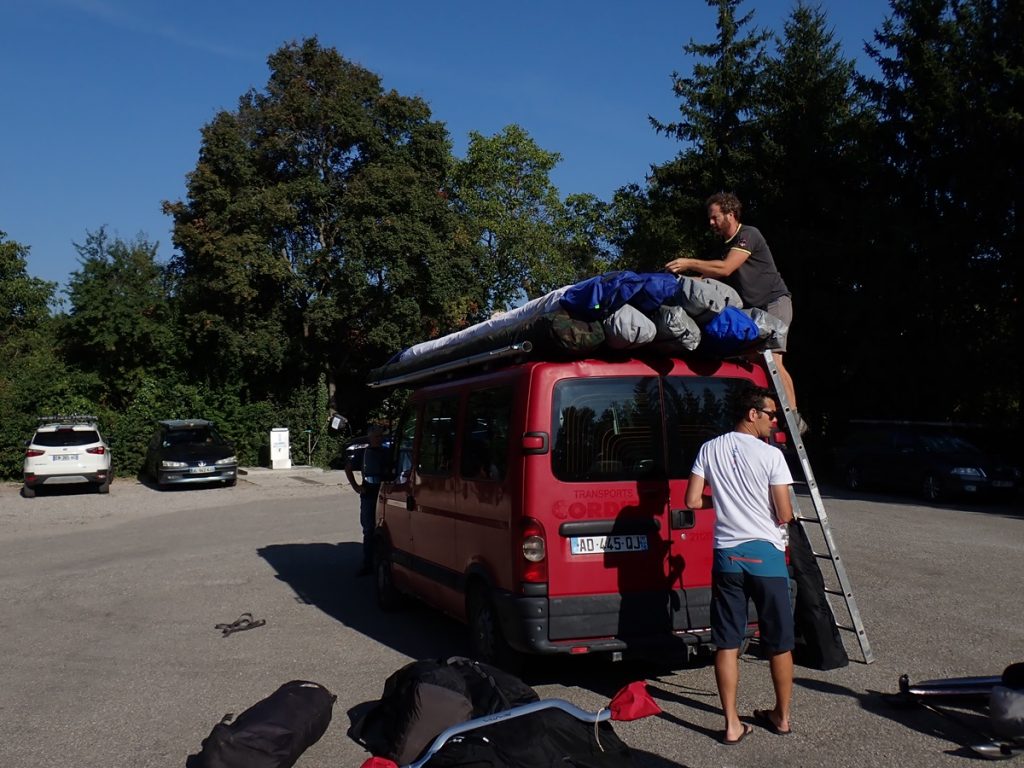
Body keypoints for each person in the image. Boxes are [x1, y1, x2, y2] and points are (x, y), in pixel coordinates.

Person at [684, 386, 796, 745]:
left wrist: (723, 501)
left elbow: (691, 500)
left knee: (727, 641)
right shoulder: (771, 455)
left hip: (727, 557)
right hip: (766, 557)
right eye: (771, 415)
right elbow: (784, 513)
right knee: (779, 641)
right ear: (753, 414)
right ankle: (781, 717)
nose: (774, 421)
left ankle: (732, 724)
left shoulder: (709, 449)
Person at [665, 192, 806, 434]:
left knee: (773, 357)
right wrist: (679, 283)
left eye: (715, 217)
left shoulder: (748, 235)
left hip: (774, 302)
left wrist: (687, 262)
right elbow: (709, 276)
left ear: (730, 214)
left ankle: (793, 417)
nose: (711, 222)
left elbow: (726, 268)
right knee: (751, 359)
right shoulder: (725, 248)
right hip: (752, 311)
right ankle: (763, 412)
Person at [345, 425, 392, 577]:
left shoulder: (388, 452)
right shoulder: (363, 452)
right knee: (368, 529)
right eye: (377, 436)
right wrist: (356, 487)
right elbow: (348, 468)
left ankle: (383, 563)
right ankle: (368, 564)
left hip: (386, 493)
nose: (380, 439)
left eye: (381, 436)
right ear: (370, 437)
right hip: (369, 494)